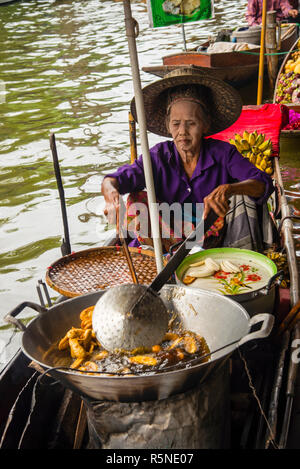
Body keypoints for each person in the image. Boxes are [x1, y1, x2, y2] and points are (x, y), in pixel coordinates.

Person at [101, 69, 274, 253]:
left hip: (217, 241)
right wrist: (111, 196)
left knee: (243, 199)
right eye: (176, 124)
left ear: (205, 125)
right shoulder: (158, 156)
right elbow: (114, 180)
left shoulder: (223, 153)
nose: (182, 131)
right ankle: (159, 262)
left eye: (191, 123)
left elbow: (263, 184)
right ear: (168, 126)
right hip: (168, 246)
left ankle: (242, 262)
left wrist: (231, 189)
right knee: (137, 198)